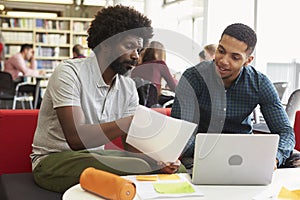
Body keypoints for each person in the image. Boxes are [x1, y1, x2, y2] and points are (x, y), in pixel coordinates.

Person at [30, 5, 185, 193]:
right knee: (140, 167)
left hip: (97, 157)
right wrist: (128, 123)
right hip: (53, 161)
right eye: (129, 47)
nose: (136, 56)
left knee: (176, 168)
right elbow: (77, 140)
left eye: (139, 49)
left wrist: (158, 159)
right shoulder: (69, 72)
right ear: (105, 43)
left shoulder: (127, 87)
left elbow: (130, 144)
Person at [171, 23, 295, 169]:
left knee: (296, 160)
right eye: (221, 51)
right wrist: (219, 152)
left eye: (235, 57)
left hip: (244, 153)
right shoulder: (192, 78)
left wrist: (275, 158)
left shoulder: (259, 83)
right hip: (200, 153)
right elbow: (180, 132)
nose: (223, 61)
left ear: (248, 61)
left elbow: (285, 131)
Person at [131, 41, 178, 105]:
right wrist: (174, 79)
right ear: (161, 54)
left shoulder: (135, 68)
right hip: (151, 104)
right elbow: (175, 88)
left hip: (137, 104)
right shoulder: (160, 64)